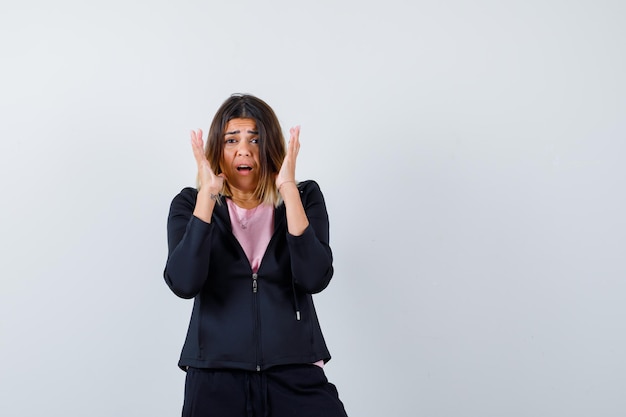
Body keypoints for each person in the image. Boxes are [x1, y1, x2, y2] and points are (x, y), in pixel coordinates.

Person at [164, 94, 349, 417]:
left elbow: (314, 277)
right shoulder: (190, 205)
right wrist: (207, 197)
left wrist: (288, 189)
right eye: (231, 140)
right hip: (214, 376)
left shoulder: (304, 198)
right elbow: (183, 282)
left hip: (294, 371)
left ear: (271, 147)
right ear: (216, 151)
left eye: (255, 139)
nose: (244, 150)